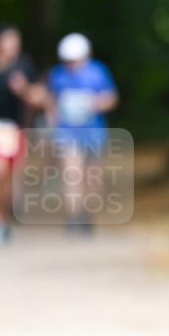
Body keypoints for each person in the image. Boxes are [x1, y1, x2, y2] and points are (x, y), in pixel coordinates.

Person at [47, 33, 119, 232]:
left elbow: (111, 98)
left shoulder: (98, 72)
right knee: (72, 174)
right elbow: (52, 101)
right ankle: (73, 217)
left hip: (94, 132)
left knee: (93, 177)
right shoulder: (58, 75)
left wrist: (95, 104)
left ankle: (88, 213)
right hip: (67, 132)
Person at [0, 25, 45, 245]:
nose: (14, 46)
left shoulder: (24, 66)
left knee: (8, 180)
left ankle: (2, 220)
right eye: (10, 41)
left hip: (14, 130)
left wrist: (24, 89)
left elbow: (40, 99)